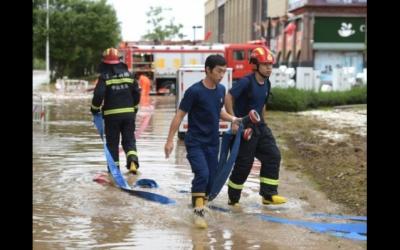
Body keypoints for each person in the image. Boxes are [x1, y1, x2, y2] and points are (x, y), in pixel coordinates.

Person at [164, 54, 239, 229]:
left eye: (223, 71)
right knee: (202, 174)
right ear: (208, 70)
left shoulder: (221, 90)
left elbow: (218, 111)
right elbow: (179, 115)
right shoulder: (194, 91)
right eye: (218, 71)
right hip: (195, 142)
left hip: (213, 142)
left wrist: (234, 119)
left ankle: (197, 204)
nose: (221, 75)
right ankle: (199, 213)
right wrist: (169, 141)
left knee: (211, 180)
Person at [225, 46, 287, 207]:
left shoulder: (267, 83)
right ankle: (233, 200)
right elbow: (228, 97)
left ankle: (269, 195)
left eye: (271, 65)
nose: (269, 68)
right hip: (245, 128)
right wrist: (234, 120)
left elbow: (262, 105)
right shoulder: (246, 82)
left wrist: (264, 123)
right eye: (265, 65)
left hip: (260, 127)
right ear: (256, 65)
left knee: (273, 156)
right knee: (244, 165)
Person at [91, 48, 141, 174]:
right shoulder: (129, 75)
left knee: (112, 144)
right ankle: (133, 161)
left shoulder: (104, 77)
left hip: (111, 117)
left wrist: (94, 109)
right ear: (119, 61)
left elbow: (98, 95)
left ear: (104, 63)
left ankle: (114, 171)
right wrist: (134, 108)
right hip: (129, 115)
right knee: (129, 140)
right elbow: (137, 93)